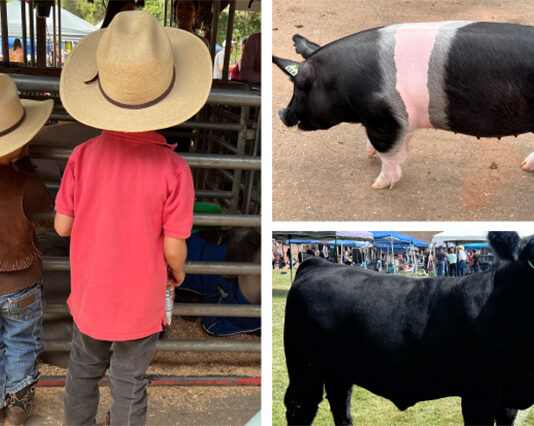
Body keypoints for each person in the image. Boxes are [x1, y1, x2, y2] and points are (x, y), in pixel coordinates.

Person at [54, 11, 212, 425]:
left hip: (91, 295)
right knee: (129, 381)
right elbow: (173, 247)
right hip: (141, 301)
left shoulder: (83, 156)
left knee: (82, 372)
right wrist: (176, 272)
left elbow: (62, 226)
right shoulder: (175, 170)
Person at [0, 74, 53, 424]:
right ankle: (17, 409)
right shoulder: (25, 182)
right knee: (20, 341)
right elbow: (44, 206)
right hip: (21, 284)